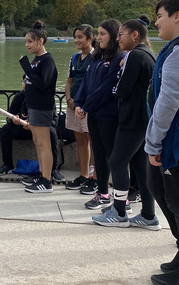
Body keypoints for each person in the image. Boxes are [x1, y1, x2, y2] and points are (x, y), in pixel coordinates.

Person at [92, 15, 159, 228]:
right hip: (144, 119)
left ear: (135, 35)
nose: (118, 39)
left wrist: (122, 68)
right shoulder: (150, 54)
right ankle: (149, 215)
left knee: (117, 162)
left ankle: (119, 211)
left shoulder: (134, 56)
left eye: (121, 35)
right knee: (140, 166)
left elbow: (121, 90)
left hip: (131, 118)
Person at [145, 0, 179, 285]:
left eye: (160, 15)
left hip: (176, 143)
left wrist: (154, 144)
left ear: (177, 16)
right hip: (176, 141)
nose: (156, 21)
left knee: (178, 203)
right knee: (165, 194)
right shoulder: (176, 50)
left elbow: (168, 101)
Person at [74, 20, 124, 210]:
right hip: (94, 114)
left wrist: (85, 106)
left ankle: (120, 197)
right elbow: (86, 83)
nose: (99, 37)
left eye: (103, 34)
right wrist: (79, 103)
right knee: (99, 155)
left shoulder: (116, 59)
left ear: (112, 35)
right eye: (99, 33)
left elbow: (106, 89)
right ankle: (102, 193)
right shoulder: (97, 58)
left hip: (109, 116)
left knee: (112, 156)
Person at [0, 79, 62, 181]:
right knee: (5, 130)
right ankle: (7, 165)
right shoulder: (20, 97)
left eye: (27, 82)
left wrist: (35, 125)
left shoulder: (45, 97)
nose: (25, 84)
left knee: (52, 132)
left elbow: (54, 120)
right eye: (24, 81)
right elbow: (10, 116)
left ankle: (53, 169)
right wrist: (14, 120)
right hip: (23, 128)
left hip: (40, 129)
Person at [18, 21, 58, 193]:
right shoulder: (36, 60)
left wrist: (26, 67)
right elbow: (29, 85)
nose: (27, 45)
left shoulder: (47, 60)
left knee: (44, 144)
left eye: (30, 41)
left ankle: (47, 180)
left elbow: (43, 84)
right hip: (34, 106)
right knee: (37, 142)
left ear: (40, 41)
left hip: (43, 107)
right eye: (26, 41)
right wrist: (25, 106)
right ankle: (42, 174)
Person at [65, 24, 96, 191]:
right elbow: (70, 81)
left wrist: (85, 103)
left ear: (90, 39)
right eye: (75, 37)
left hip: (88, 106)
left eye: (80, 37)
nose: (76, 40)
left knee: (94, 141)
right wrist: (69, 98)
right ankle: (84, 175)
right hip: (73, 105)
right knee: (81, 140)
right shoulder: (74, 58)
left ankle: (96, 178)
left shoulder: (96, 57)